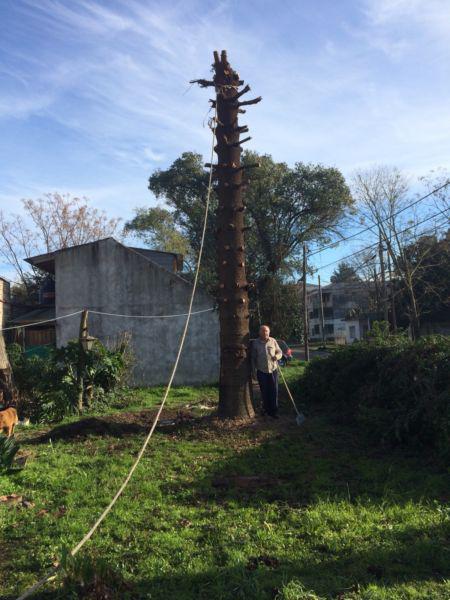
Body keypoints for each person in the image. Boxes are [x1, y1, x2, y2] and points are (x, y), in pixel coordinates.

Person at [251, 325, 283, 418]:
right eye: (263, 331)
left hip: (273, 370)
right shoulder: (255, 343)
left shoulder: (273, 341)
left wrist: (277, 356)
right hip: (261, 371)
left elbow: (280, 352)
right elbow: (253, 358)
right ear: (259, 332)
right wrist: (253, 372)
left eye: (267, 331)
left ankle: (274, 411)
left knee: (274, 391)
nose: (265, 333)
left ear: (269, 332)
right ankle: (266, 410)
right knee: (264, 392)